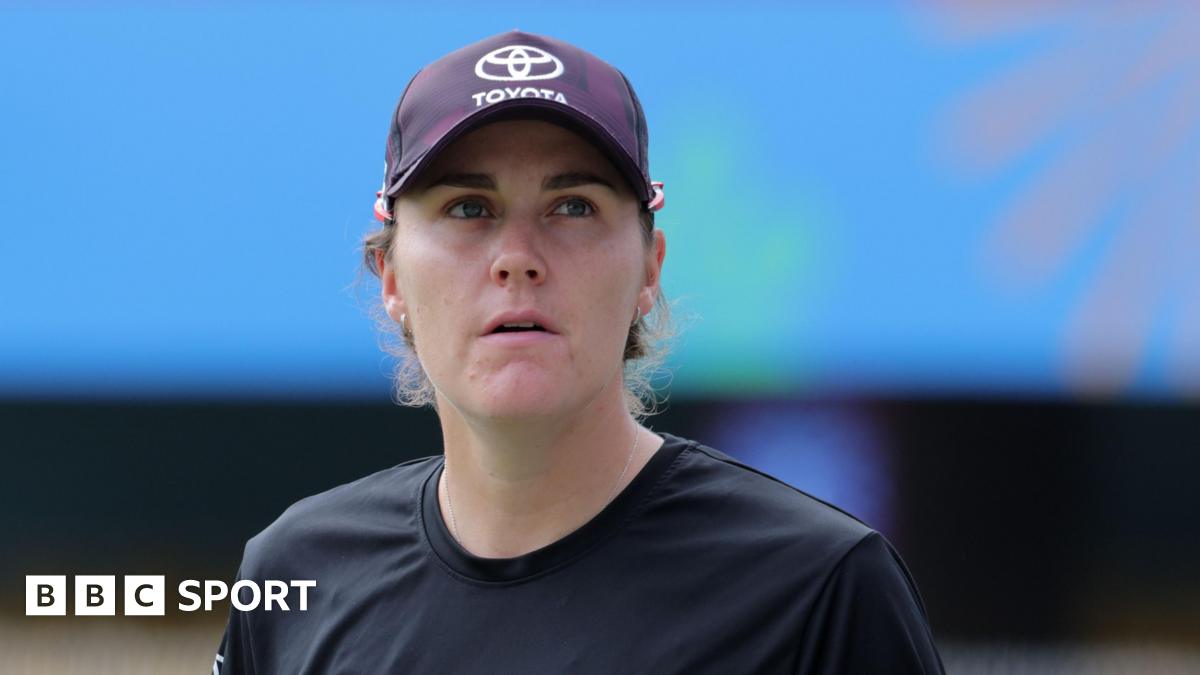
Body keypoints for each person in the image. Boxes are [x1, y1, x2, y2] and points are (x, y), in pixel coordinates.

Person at [214, 30, 945, 674]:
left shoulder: (819, 588)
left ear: (650, 269)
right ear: (393, 278)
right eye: (468, 208)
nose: (518, 257)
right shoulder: (294, 574)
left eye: (573, 207)